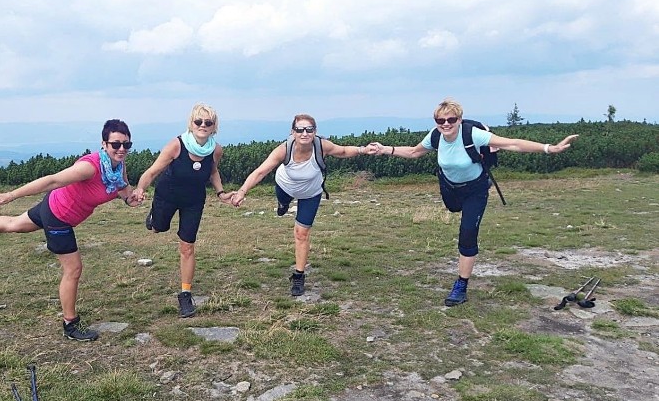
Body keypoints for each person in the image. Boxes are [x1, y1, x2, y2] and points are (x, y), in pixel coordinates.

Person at [370, 99, 578, 307]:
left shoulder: (472, 134)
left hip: (475, 190)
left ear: (459, 119)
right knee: (453, 208)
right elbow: (414, 152)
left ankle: (461, 285)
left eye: (451, 119)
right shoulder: (435, 136)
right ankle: (463, 216)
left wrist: (549, 148)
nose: (446, 124)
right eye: (440, 120)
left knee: (467, 233)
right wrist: (385, 149)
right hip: (449, 187)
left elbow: (512, 143)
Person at [0, 119, 141, 341]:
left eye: (126, 145)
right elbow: (52, 180)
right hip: (59, 217)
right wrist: (10, 195)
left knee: (14, 225)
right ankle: (70, 325)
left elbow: (122, 189)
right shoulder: (90, 167)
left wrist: (131, 199)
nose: (121, 149)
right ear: (104, 144)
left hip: (52, 206)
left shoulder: (118, 168)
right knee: (73, 269)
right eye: (115, 144)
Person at [230, 114, 378, 296]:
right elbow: (261, 172)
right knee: (283, 203)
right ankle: (283, 204)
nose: (304, 133)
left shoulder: (321, 146)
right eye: (299, 129)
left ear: (315, 132)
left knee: (302, 233)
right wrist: (242, 191)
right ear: (293, 132)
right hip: (285, 187)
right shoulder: (284, 150)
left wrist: (364, 150)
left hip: (310, 193)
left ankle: (299, 276)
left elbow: (343, 151)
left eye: (309, 129)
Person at [131, 103, 234, 318]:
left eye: (208, 122)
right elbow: (152, 172)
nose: (203, 125)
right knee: (158, 228)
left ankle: (185, 294)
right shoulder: (176, 146)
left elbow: (213, 172)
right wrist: (140, 188)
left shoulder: (215, 150)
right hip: (167, 195)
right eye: (198, 121)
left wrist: (221, 193)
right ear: (191, 123)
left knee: (187, 246)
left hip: (194, 200)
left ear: (214, 127)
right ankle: (154, 218)